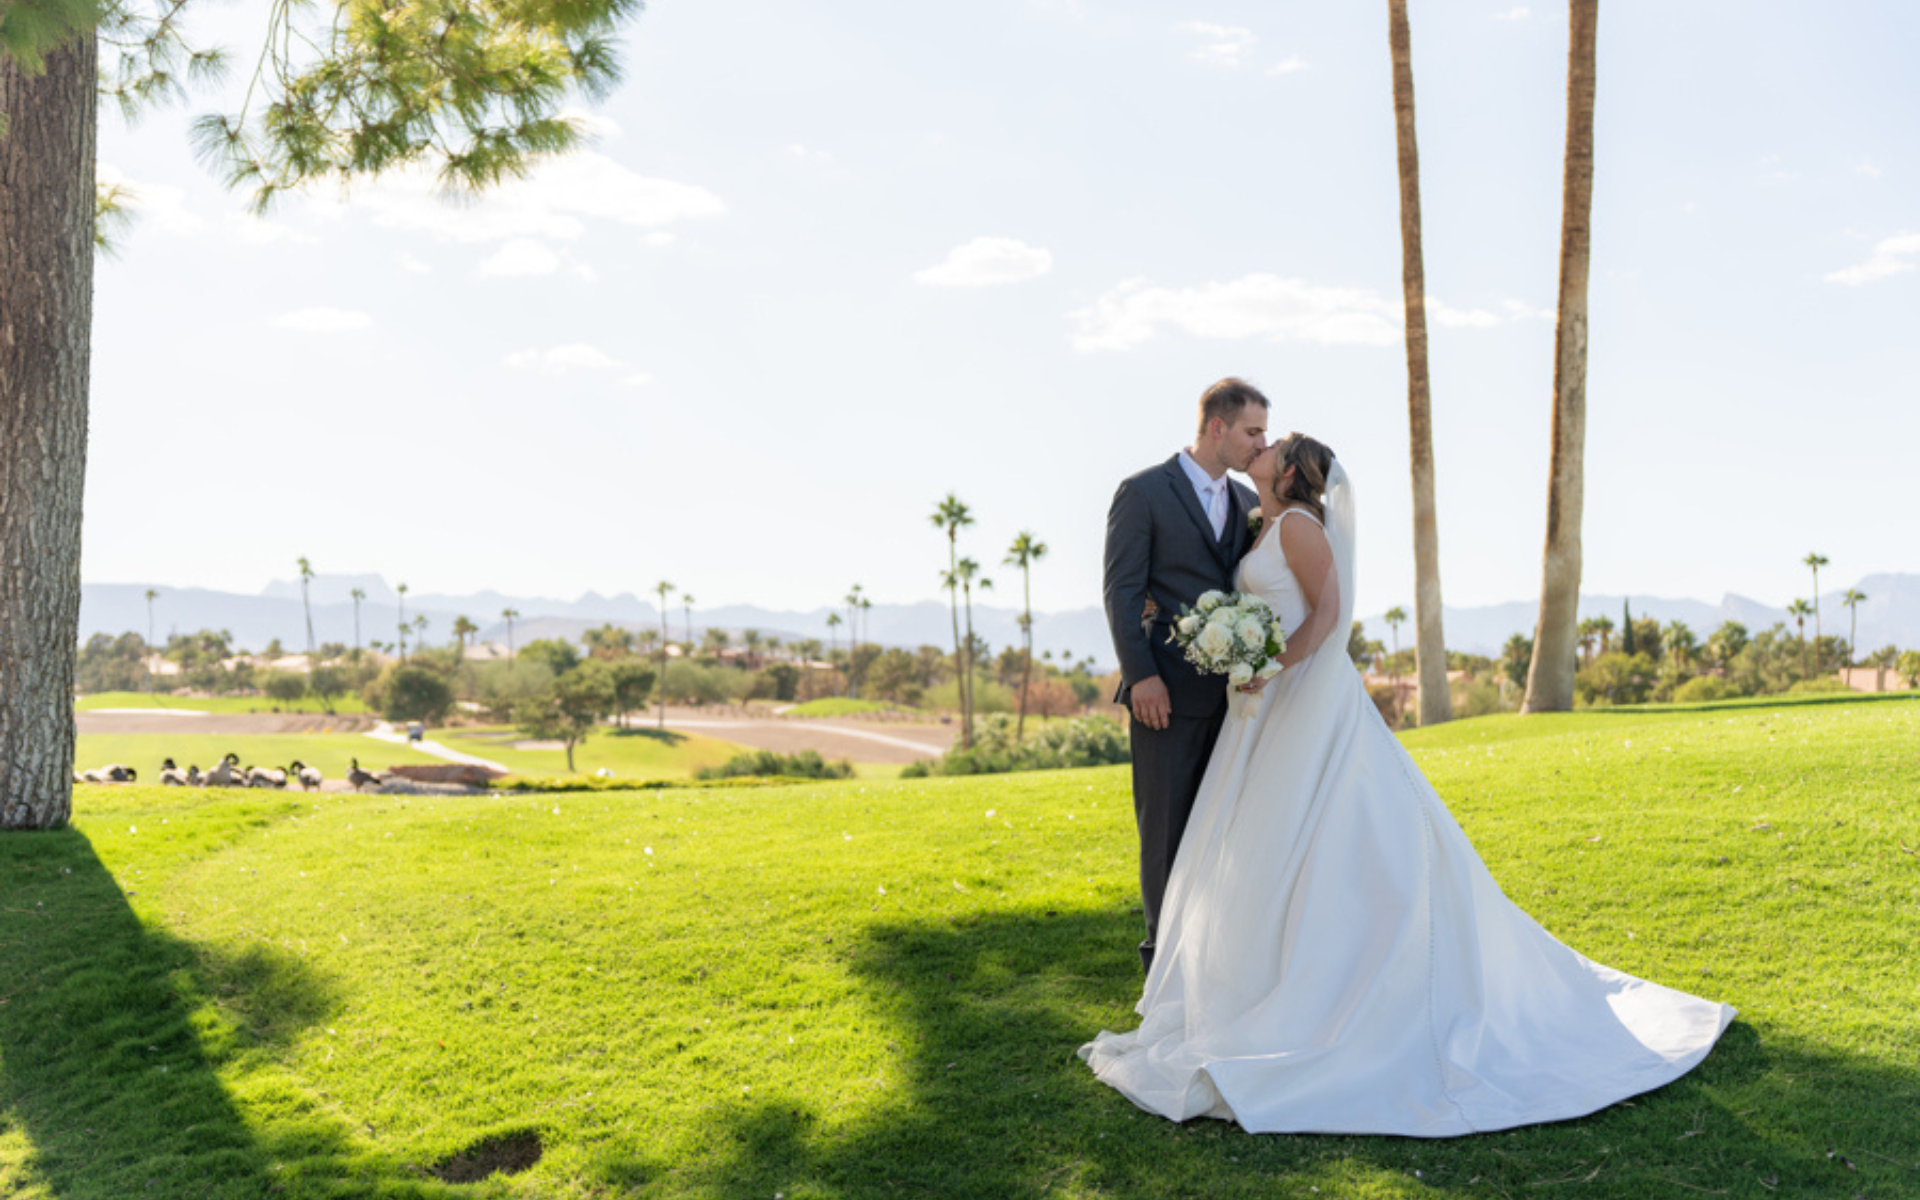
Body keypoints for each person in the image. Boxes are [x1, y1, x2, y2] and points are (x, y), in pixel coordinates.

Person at [1080, 433, 1735, 1136]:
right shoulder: (1258, 518)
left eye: (1272, 445)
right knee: (1264, 841)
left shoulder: (1299, 526)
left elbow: (1328, 616)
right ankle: (1254, 982)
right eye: (1254, 436)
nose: (1259, 448)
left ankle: (1334, 984)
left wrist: (1268, 662)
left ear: (1290, 470)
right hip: (1260, 709)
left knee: (1322, 823)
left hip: (1300, 695)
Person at [1103, 379, 1267, 974]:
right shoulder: (1144, 492)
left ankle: (1211, 964)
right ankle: (1161, 970)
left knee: (1223, 834)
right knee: (1166, 835)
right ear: (1217, 427)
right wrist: (1142, 676)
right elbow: (1122, 592)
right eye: (1252, 431)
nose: (1261, 443)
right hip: (1165, 698)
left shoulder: (1250, 500)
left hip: (1234, 702)